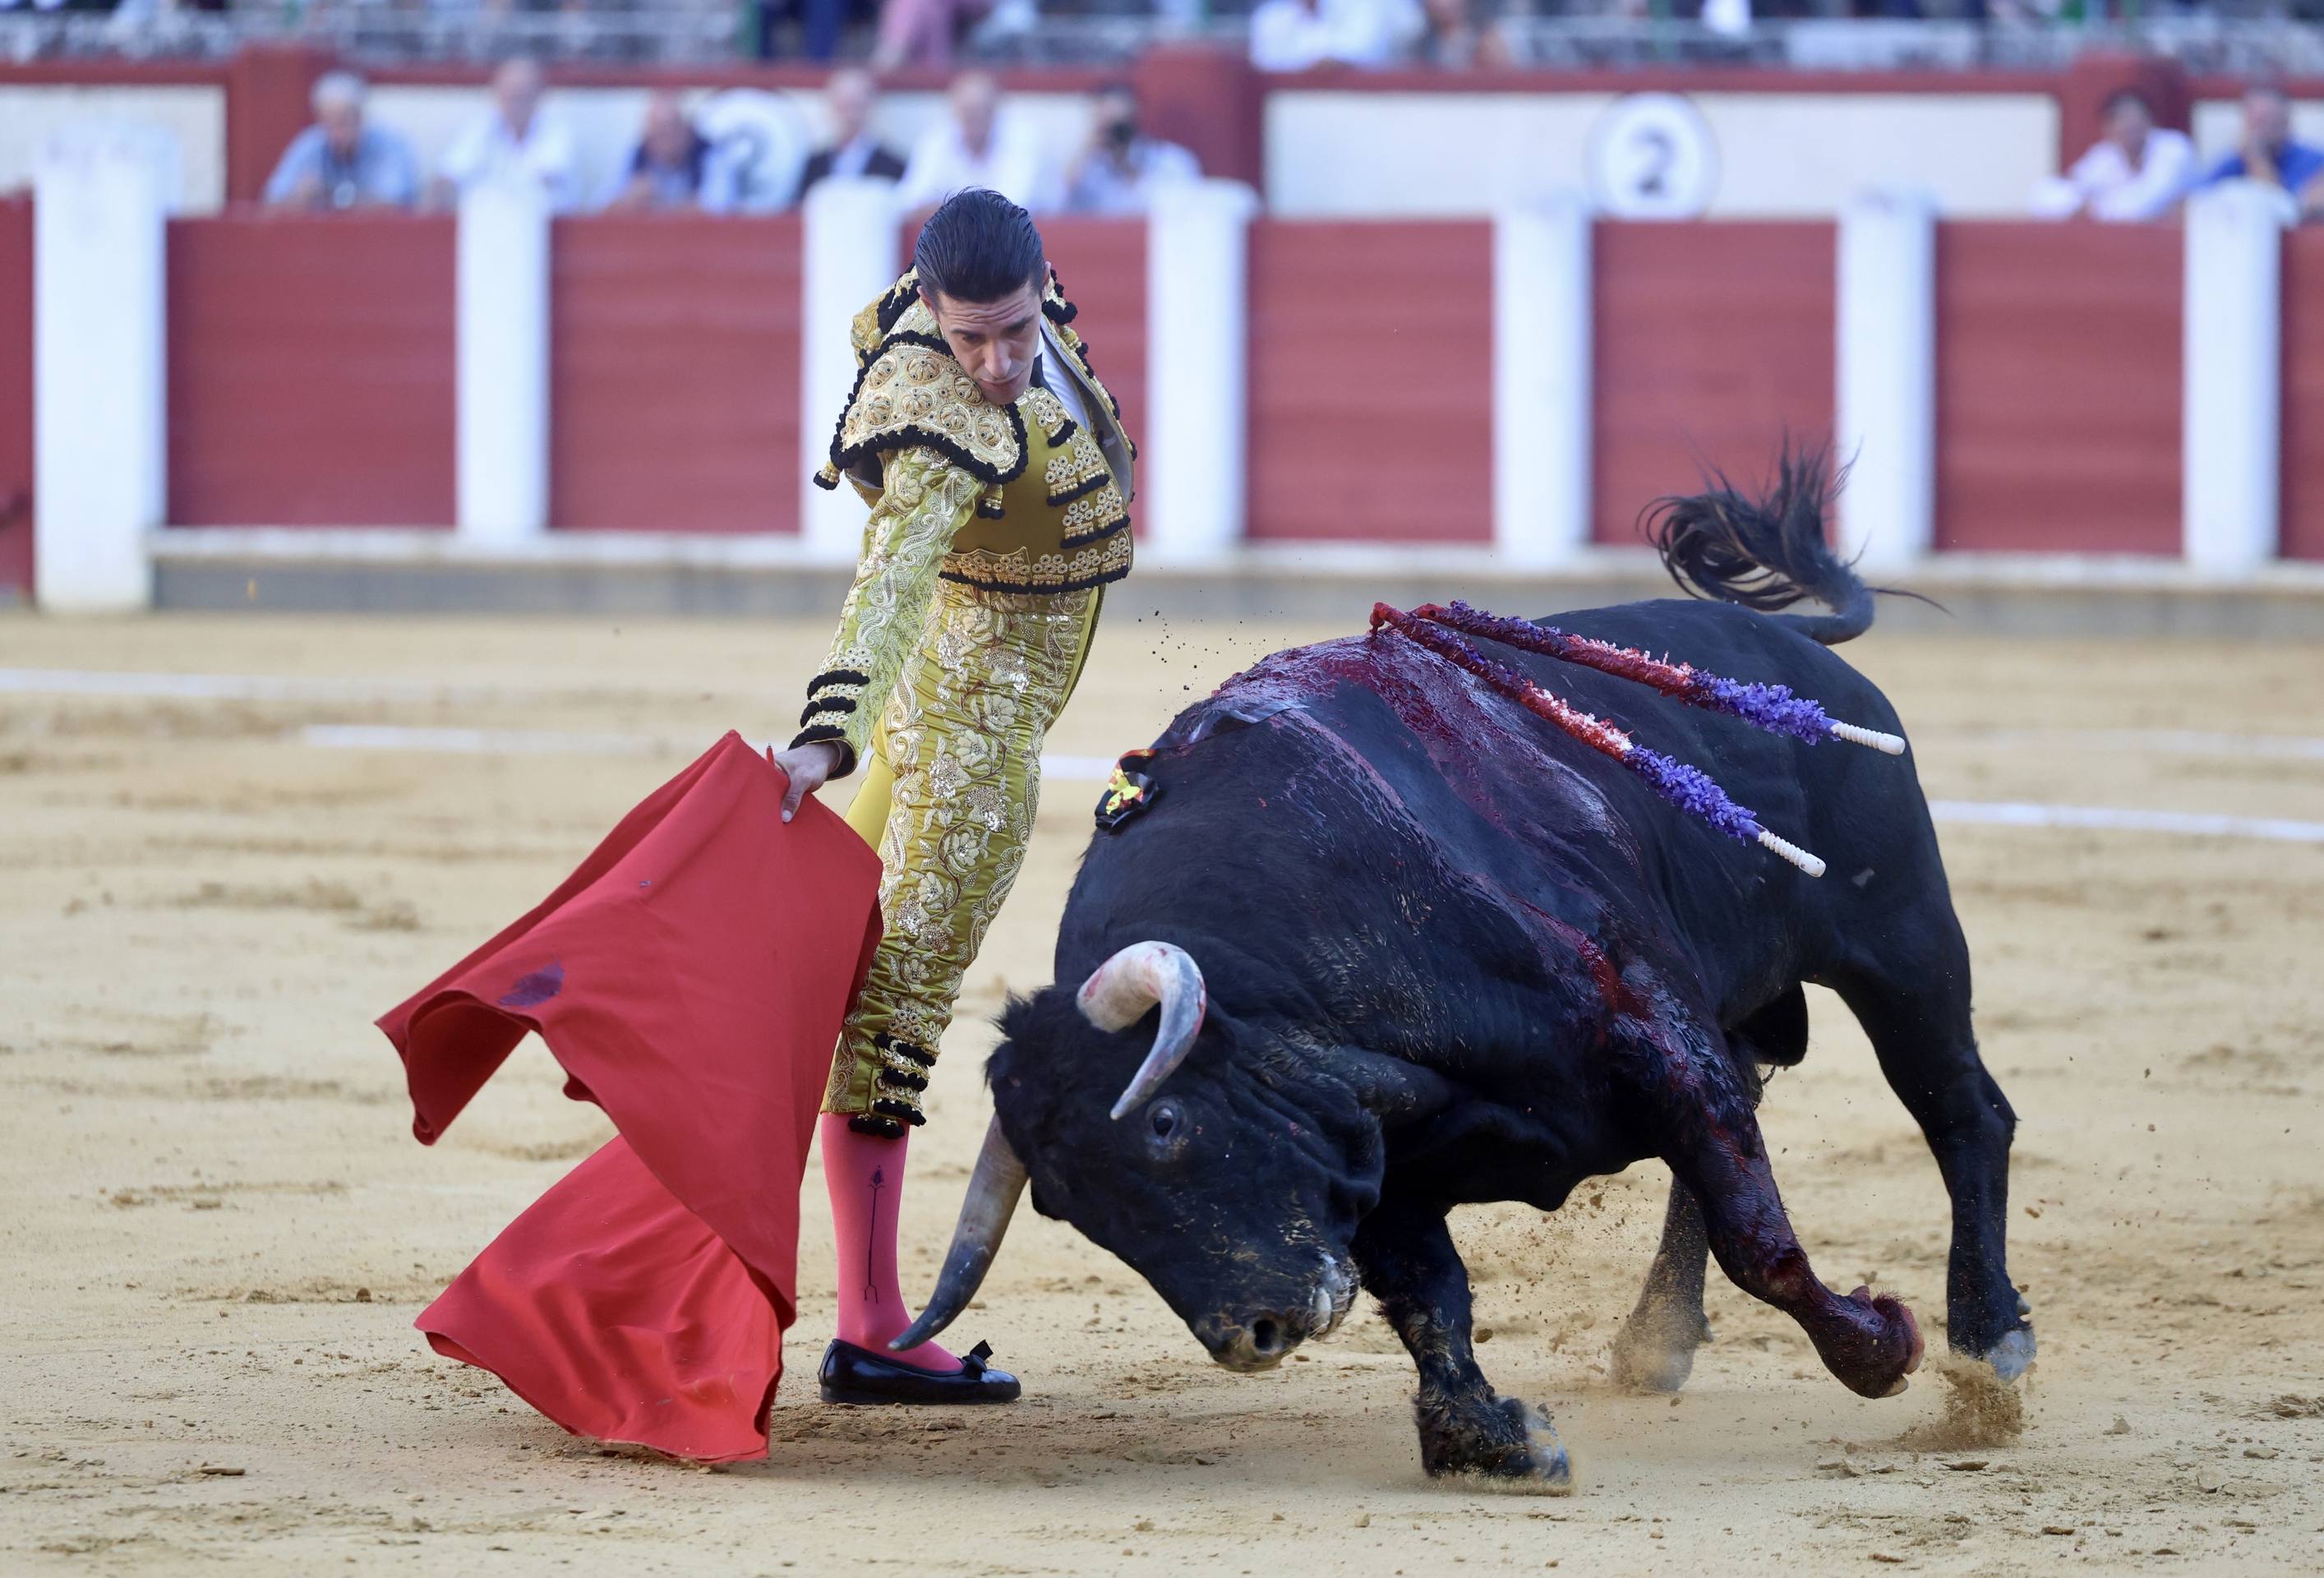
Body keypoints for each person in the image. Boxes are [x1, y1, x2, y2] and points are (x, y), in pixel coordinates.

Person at [769, 188, 1137, 1404]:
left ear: (1042, 291)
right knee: (893, 1009)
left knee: (854, 985)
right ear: (932, 313)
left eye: (1016, 332)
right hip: (968, 733)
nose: (995, 363)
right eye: (969, 337)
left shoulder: (1034, 317)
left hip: (976, 700)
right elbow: (886, 586)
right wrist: (830, 735)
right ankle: (871, 1324)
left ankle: (863, 1312)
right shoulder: (929, 409)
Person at [894, 72, 1057, 212]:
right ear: (955, 109)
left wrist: (945, 207)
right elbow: (911, 201)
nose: (975, 117)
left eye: (982, 109)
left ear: (996, 108)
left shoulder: (1024, 138)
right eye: (968, 110)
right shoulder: (937, 139)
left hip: (1039, 237)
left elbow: (1012, 206)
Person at [435, 58, 579, 214]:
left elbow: (548, 181)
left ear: (538, 95)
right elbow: (450, 175)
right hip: (484, 223)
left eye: (522, 95)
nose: (514, 104)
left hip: (544, 225)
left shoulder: (557, 130)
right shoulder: (481, 127)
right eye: (508, 94)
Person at [2031, 89, 2195, 223]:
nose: (2128, 125)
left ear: (2149, 121)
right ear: (2107, 129)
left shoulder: (2174, 148)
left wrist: (2093, 208)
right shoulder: (2104, 156)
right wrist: (2081, 205)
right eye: (2119, 119)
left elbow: (2144, 207)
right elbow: (2042, 196)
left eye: (2134, 117)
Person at [263, 71, 419, 210]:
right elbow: (270, 205)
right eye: (328, 123)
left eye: (342, 122)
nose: (336, 132)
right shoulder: (310, 144)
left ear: (359, 117)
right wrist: (298, 198)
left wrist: (332, 198)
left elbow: (394, 204)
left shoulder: (389, 145)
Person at [1063, 82, 1199, 215]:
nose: (1116, 134)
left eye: (1120, 125)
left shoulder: (1173, 162)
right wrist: (1088, 148)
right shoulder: (1091, 172)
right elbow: (1063, 207)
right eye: (1106, 122)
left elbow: (1189, 214)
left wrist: (1130, 167)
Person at [2195, 83, 2324, 222]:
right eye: (2257, 123)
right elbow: (2198, 202)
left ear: (2286, 122)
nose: (2263, 131)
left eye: (2270, 121)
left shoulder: (2313, 162)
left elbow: (2287, 210)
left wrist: (2257, 159)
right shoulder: (2231, 163)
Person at [598, 90, 736, 212]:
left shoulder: (710, 155)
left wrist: (660, 210)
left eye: (668, 131)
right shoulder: (635, 156)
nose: (661, 141)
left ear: (686, 129)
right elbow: (599, 210)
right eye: (654, 131)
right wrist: (628, 201)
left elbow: (717, 209)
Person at [793, 67, 907, 204]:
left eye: (857, 105)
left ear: (870, 106)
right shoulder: (814, 164)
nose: (850, 115)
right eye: (843, 106)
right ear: (831, 107)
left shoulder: (893, 166)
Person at [1247, 0, 1424, 73]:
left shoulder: (1355, 6)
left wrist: (1330, 61)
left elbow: (1363, 49)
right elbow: (1264, 62)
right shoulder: (1270, 16)